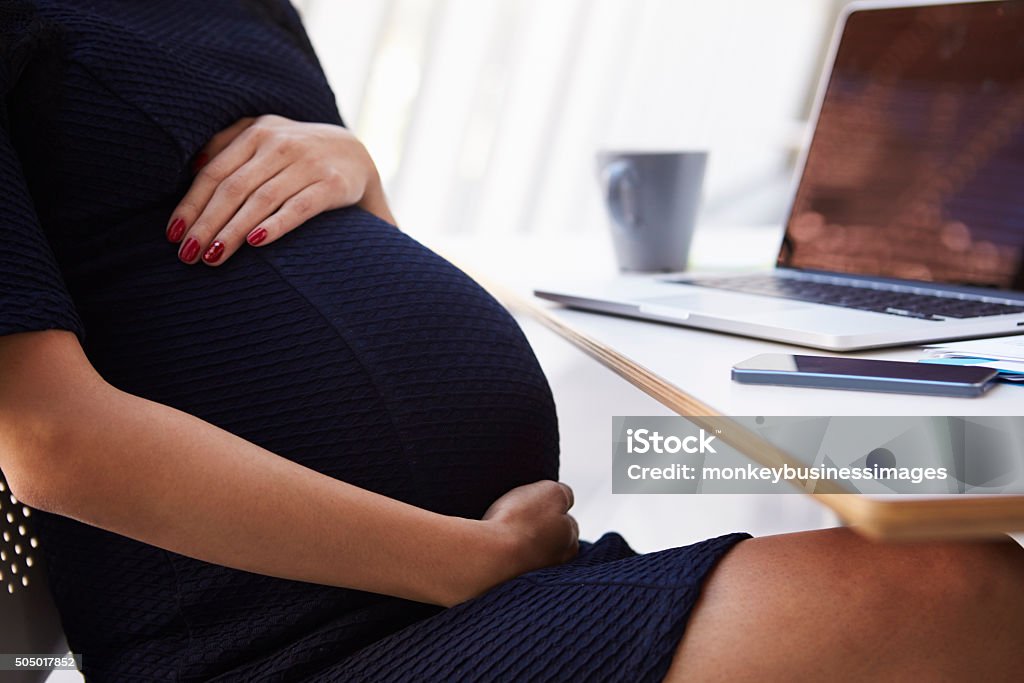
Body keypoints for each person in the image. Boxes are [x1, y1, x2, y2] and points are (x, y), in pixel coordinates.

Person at [0, 1, 1021, 681]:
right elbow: (49, 441)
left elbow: (341, 264)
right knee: (959, 591)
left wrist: (356, 168)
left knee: (966, 562)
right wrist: (464, 561)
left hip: (478, 579)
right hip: (296, 641)